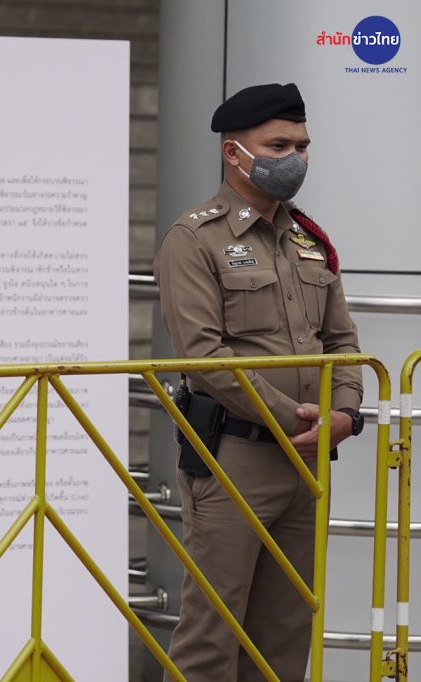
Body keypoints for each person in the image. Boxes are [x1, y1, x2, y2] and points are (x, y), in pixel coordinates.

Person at [153, 82, 365, 680]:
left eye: (302, 145)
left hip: (307, 462)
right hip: (234, 460)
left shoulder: (309, 241)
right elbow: (205, 356)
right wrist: (294, 415)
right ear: (234, 153)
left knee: (285, 637)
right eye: (278, 145)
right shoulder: (195, 239)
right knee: (211, 637)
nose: (295, 158)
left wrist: (345, 414)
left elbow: (342, 343)